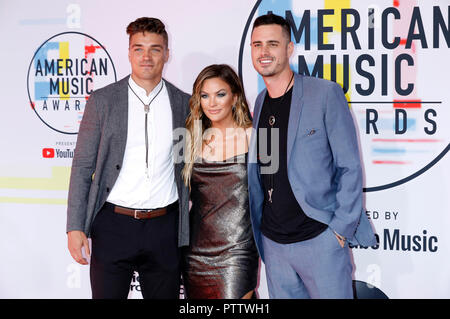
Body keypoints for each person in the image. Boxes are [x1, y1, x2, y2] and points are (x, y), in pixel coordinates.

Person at [247, 13, 377, 299]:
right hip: (275, 246)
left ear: (289, 49)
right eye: (257, 45)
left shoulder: (325, 94)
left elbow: (349, 167)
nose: (264, 52)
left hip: (320, 242)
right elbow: (270, 166)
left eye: (272, 43)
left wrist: (339, 231)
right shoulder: (260, 101)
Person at [66, 17, 190, 299]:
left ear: (167, 54)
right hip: (113, 226)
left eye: (155, 49)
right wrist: (75, 226)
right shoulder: (103, 101)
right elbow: (83, 167)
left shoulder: (184, 103)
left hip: (165, 228)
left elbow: (187, 163)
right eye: (138, 48)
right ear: (129, 52)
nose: (146, 56)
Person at [182, 64, 259, 299]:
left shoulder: (259, 137)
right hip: (196, 253)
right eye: (204, 96)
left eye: (220, 94)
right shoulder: (189, 138)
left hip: (238, 250)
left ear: (235, 97)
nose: (212, 103)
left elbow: (275, 191)